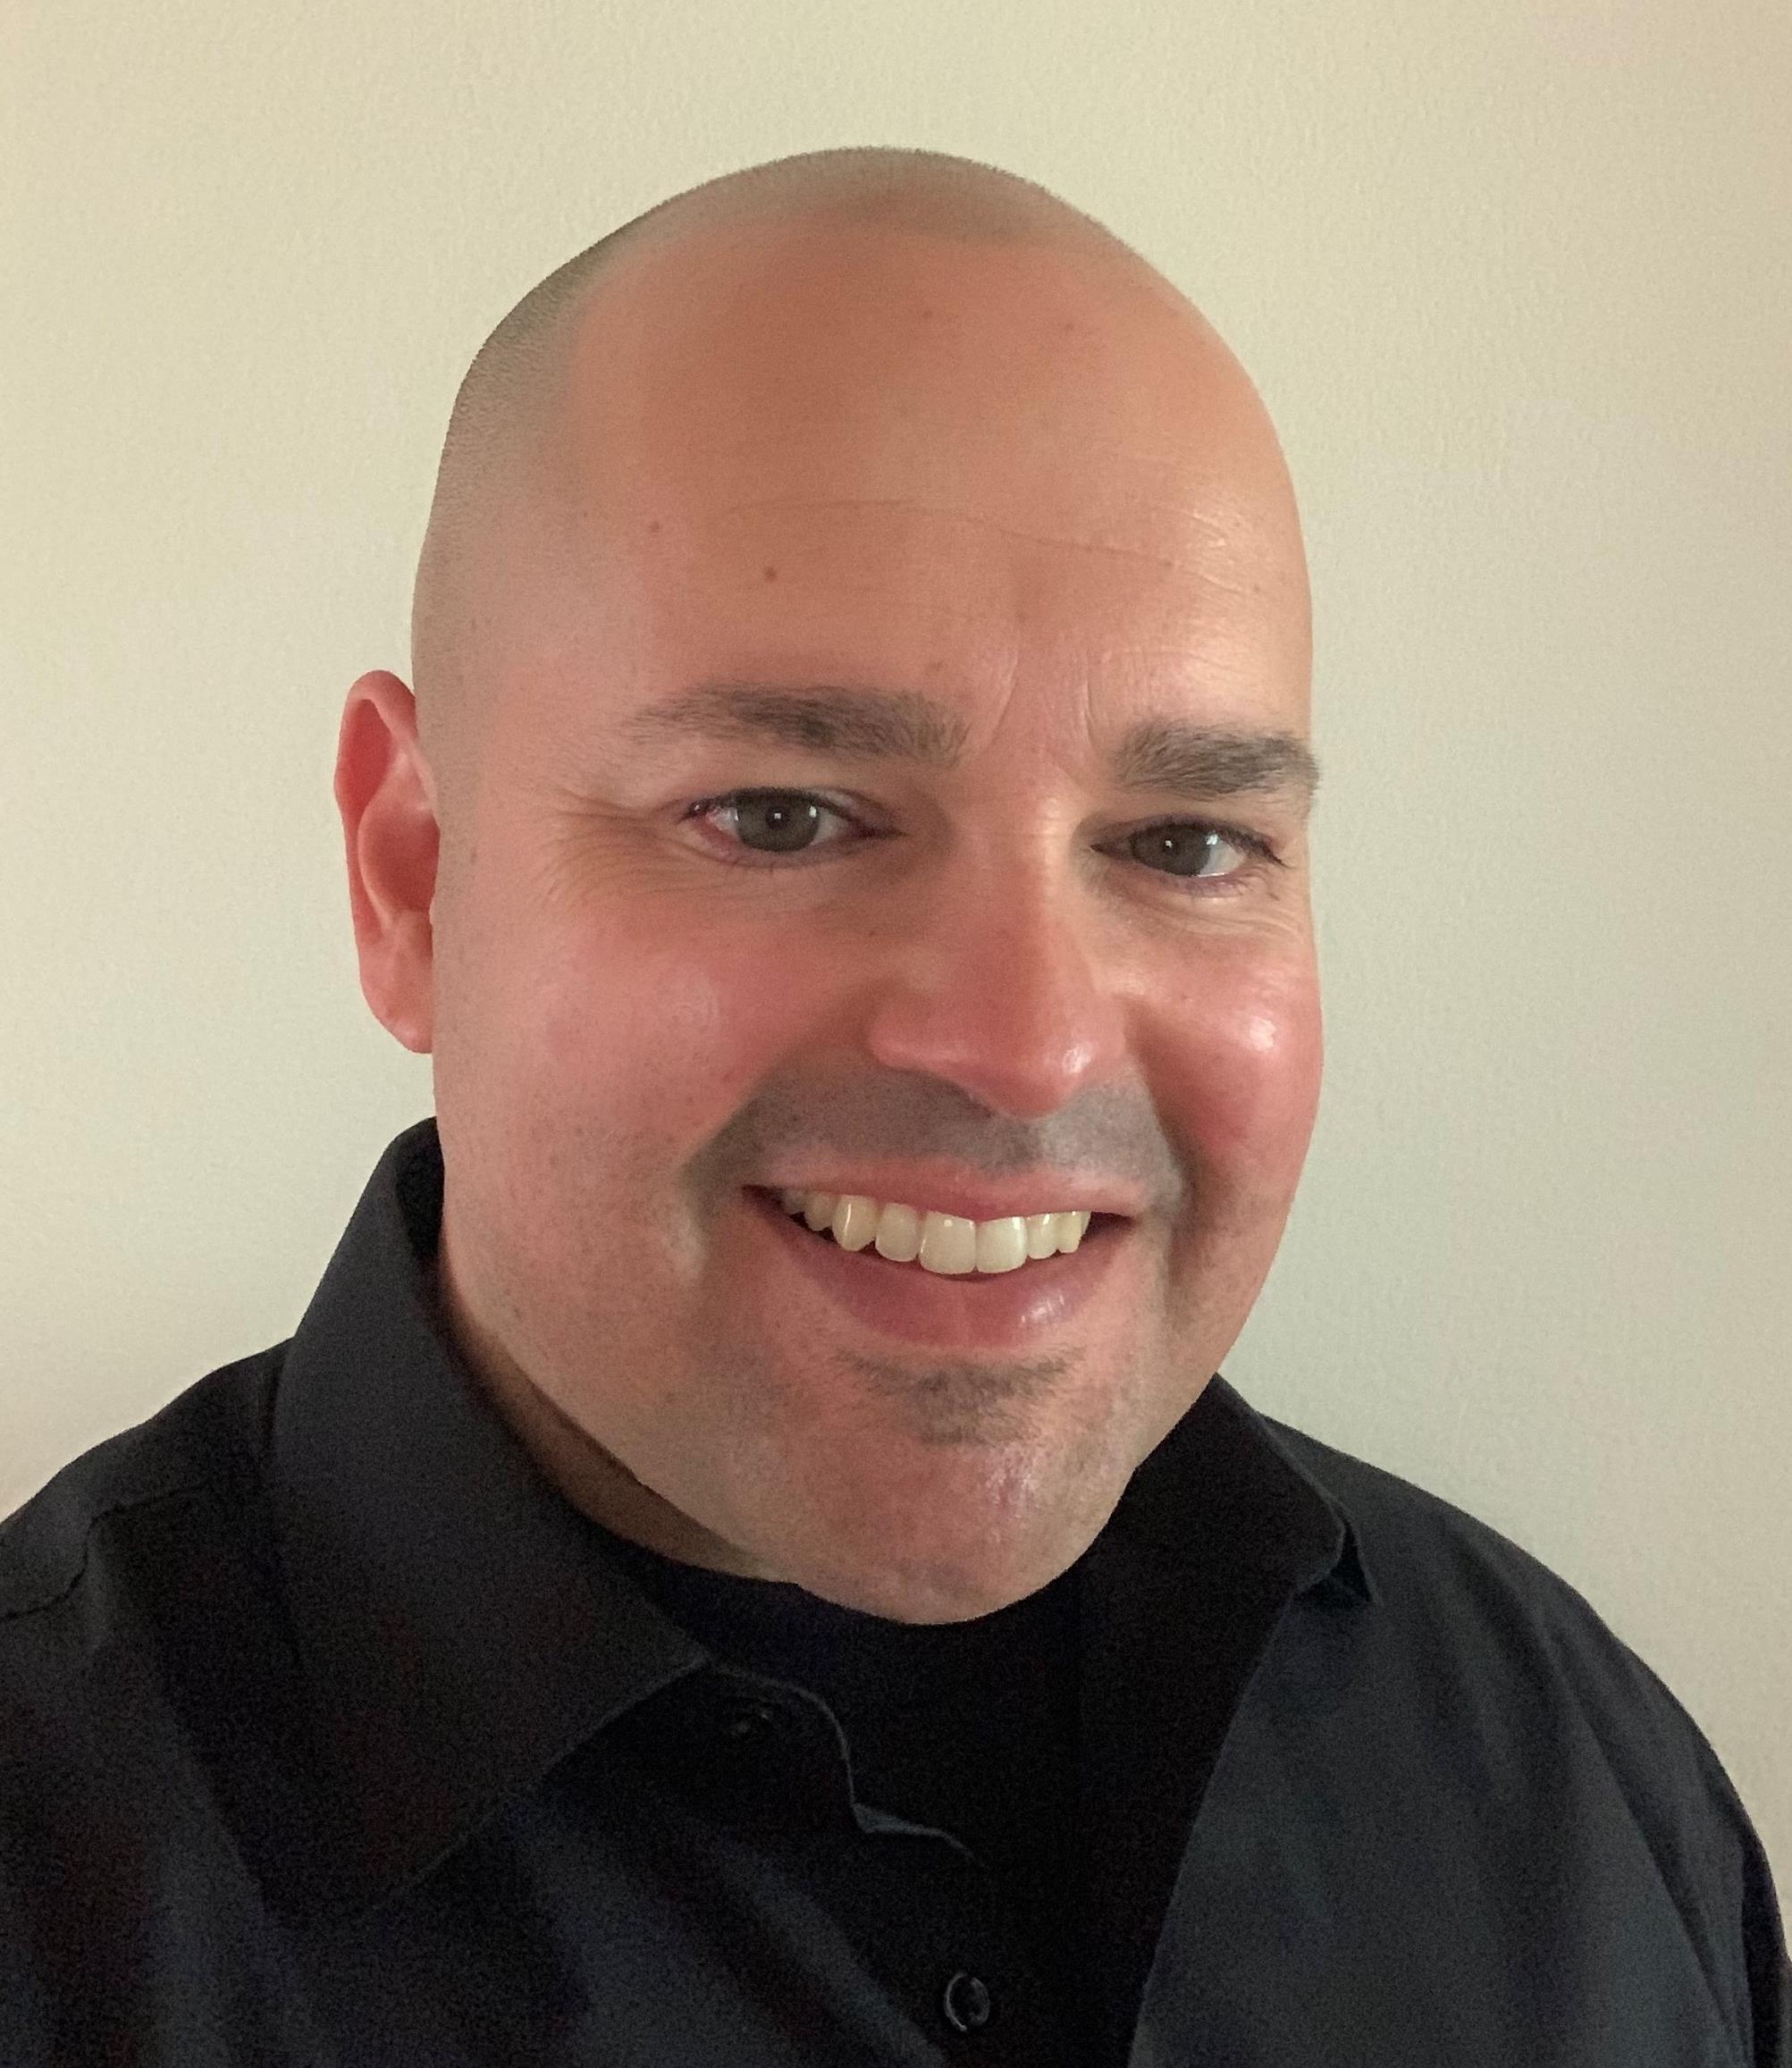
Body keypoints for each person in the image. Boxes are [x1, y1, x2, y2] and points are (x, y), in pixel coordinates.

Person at [1, 147, 1785, 2067]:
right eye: (781, 816)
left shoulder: (1569, 1781)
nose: (1030, 1046)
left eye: (1185, 841)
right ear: (413, 876)